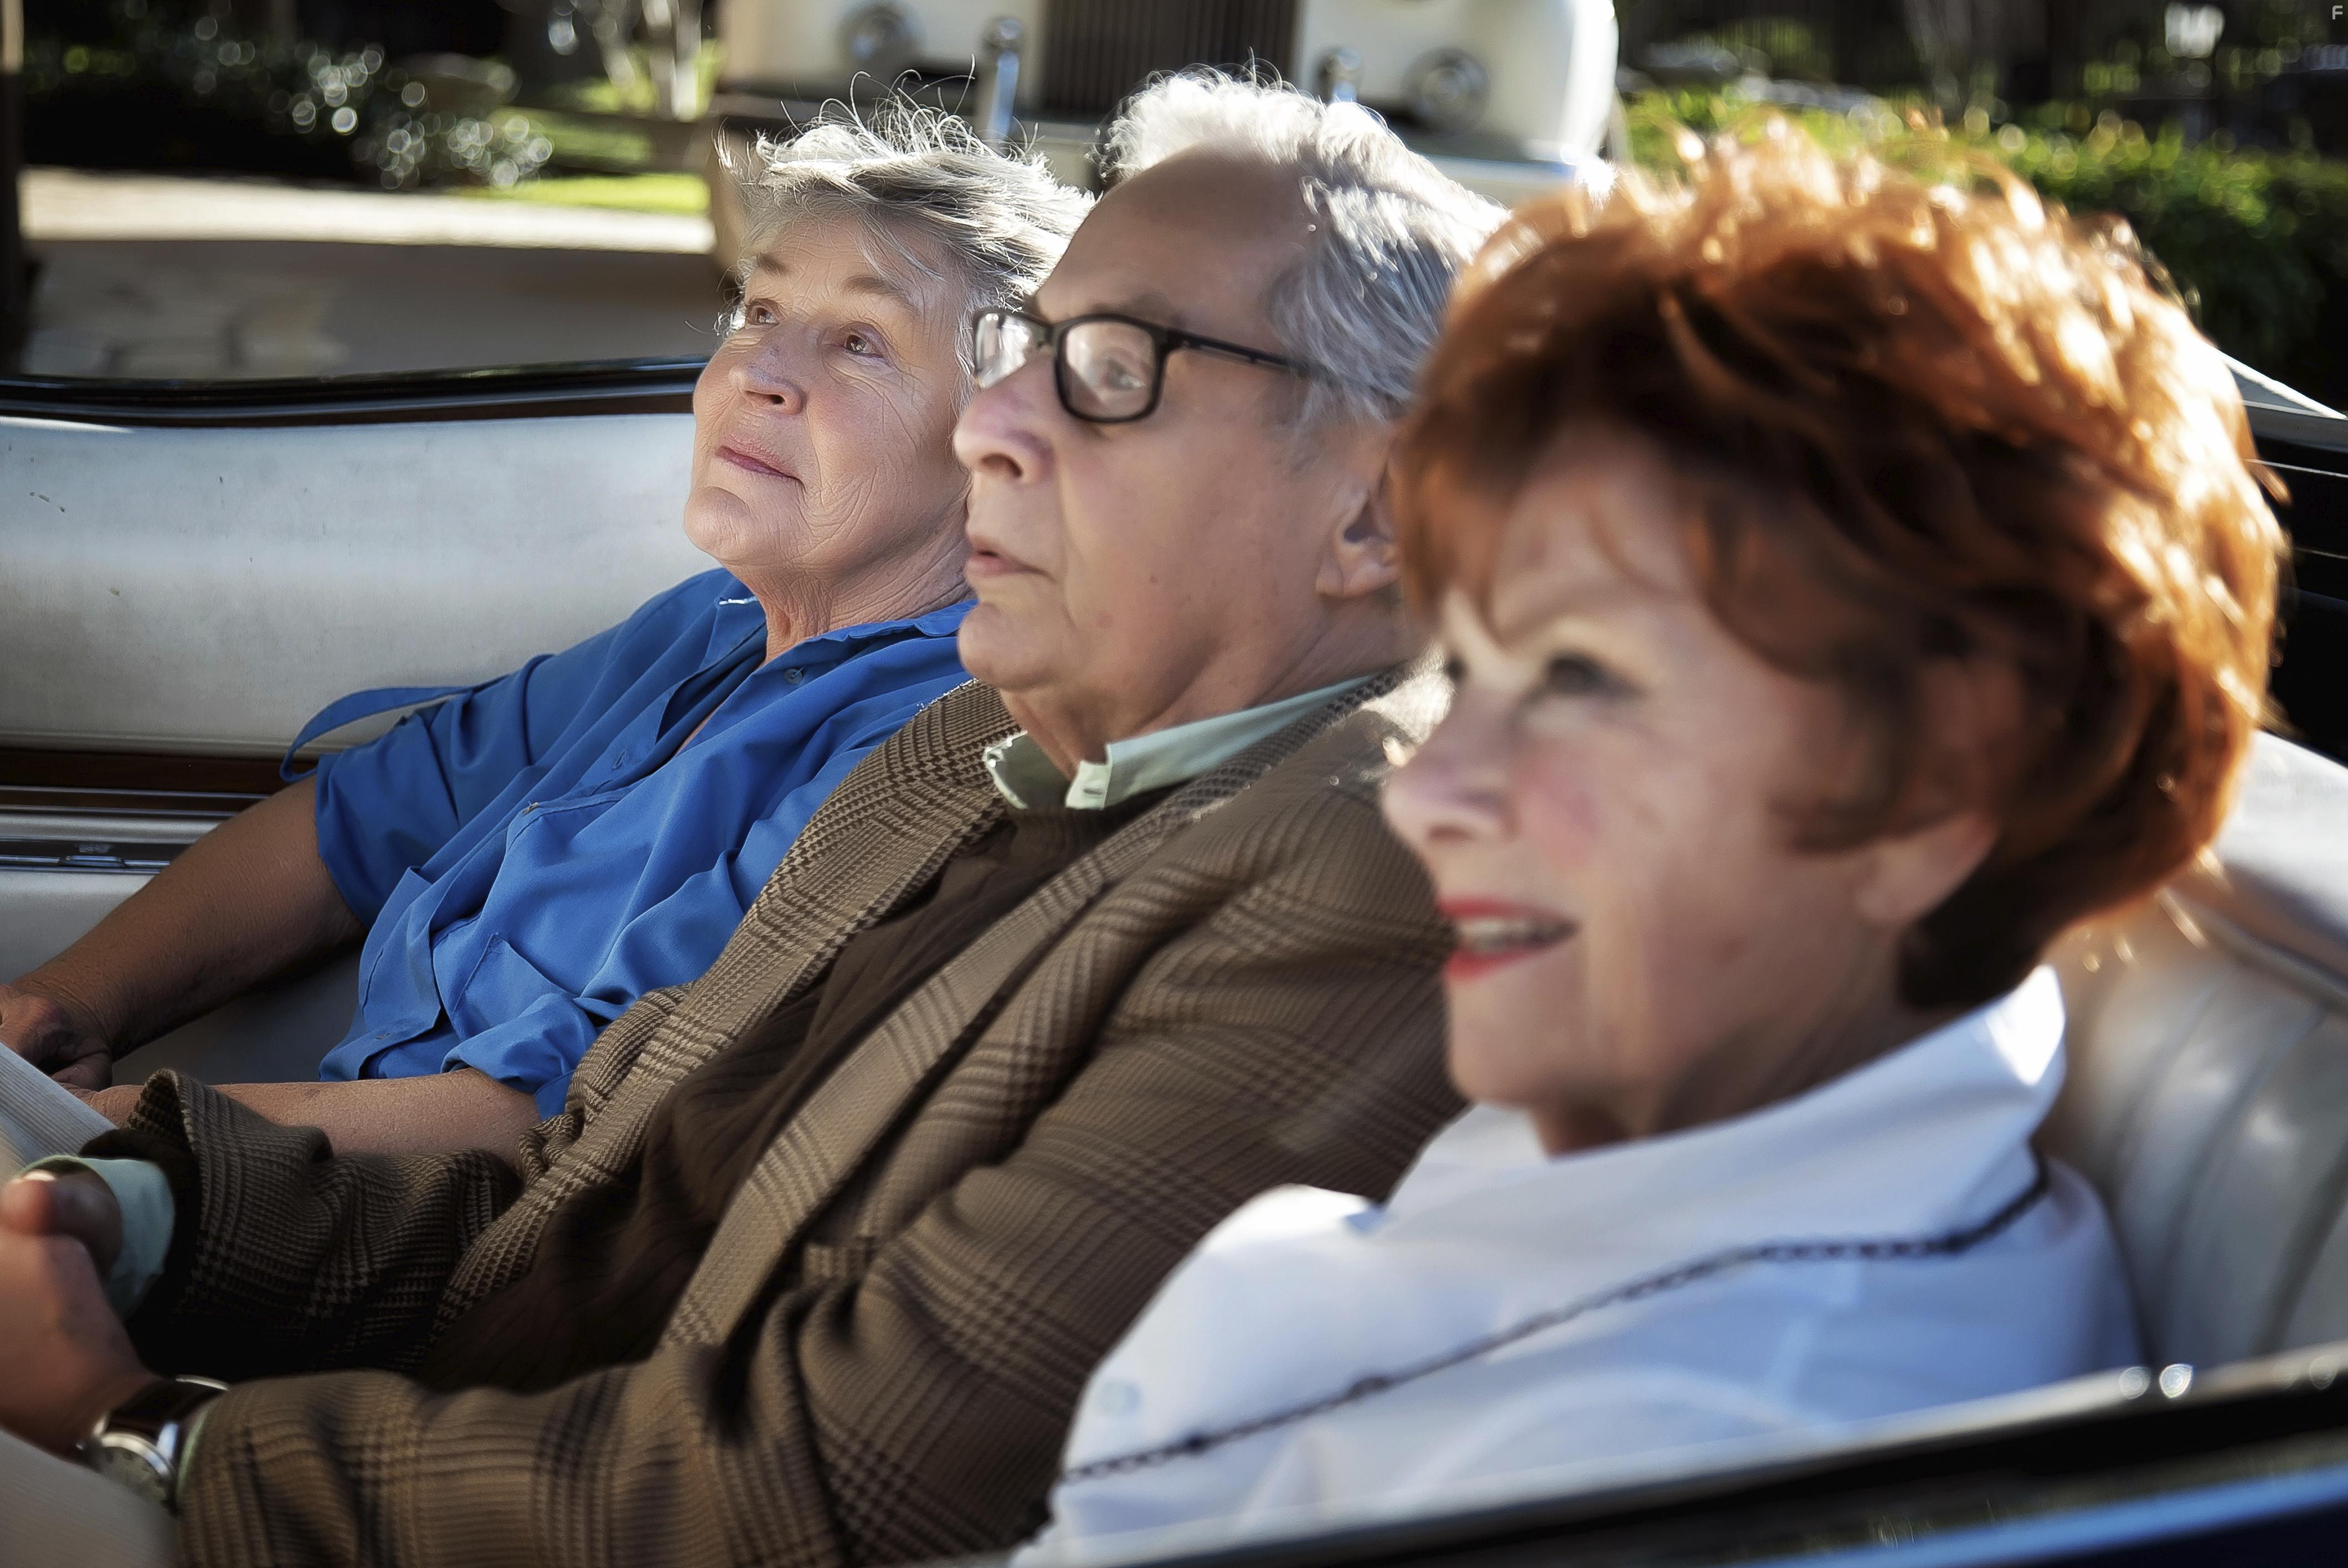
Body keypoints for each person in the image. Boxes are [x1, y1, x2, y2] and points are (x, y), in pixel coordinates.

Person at [0, 73, 1505, 1565]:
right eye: (1022, 353)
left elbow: (822, 1489)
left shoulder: (1368, 881)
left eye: (1110, 367)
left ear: (1376, 509)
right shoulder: (982, 746)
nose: (994, 426)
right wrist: (135, 1215)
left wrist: (149, 1428)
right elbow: (580, 1177)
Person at [1024, 123, 2286, 1556]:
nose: (1428, 795)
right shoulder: (1687, 1145)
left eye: (1579, 679)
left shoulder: (1698, 1456)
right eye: (1469, 673)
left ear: (1936, 786)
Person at [0, 106, 1088, 1160]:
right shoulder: (706, 627)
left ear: (998, 446)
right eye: (759, 311)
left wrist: (93, 1138)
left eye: (858, 343)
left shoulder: (918, 749)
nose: (755, 372)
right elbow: (358, 820)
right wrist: (64, 1005)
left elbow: (551, 1121)